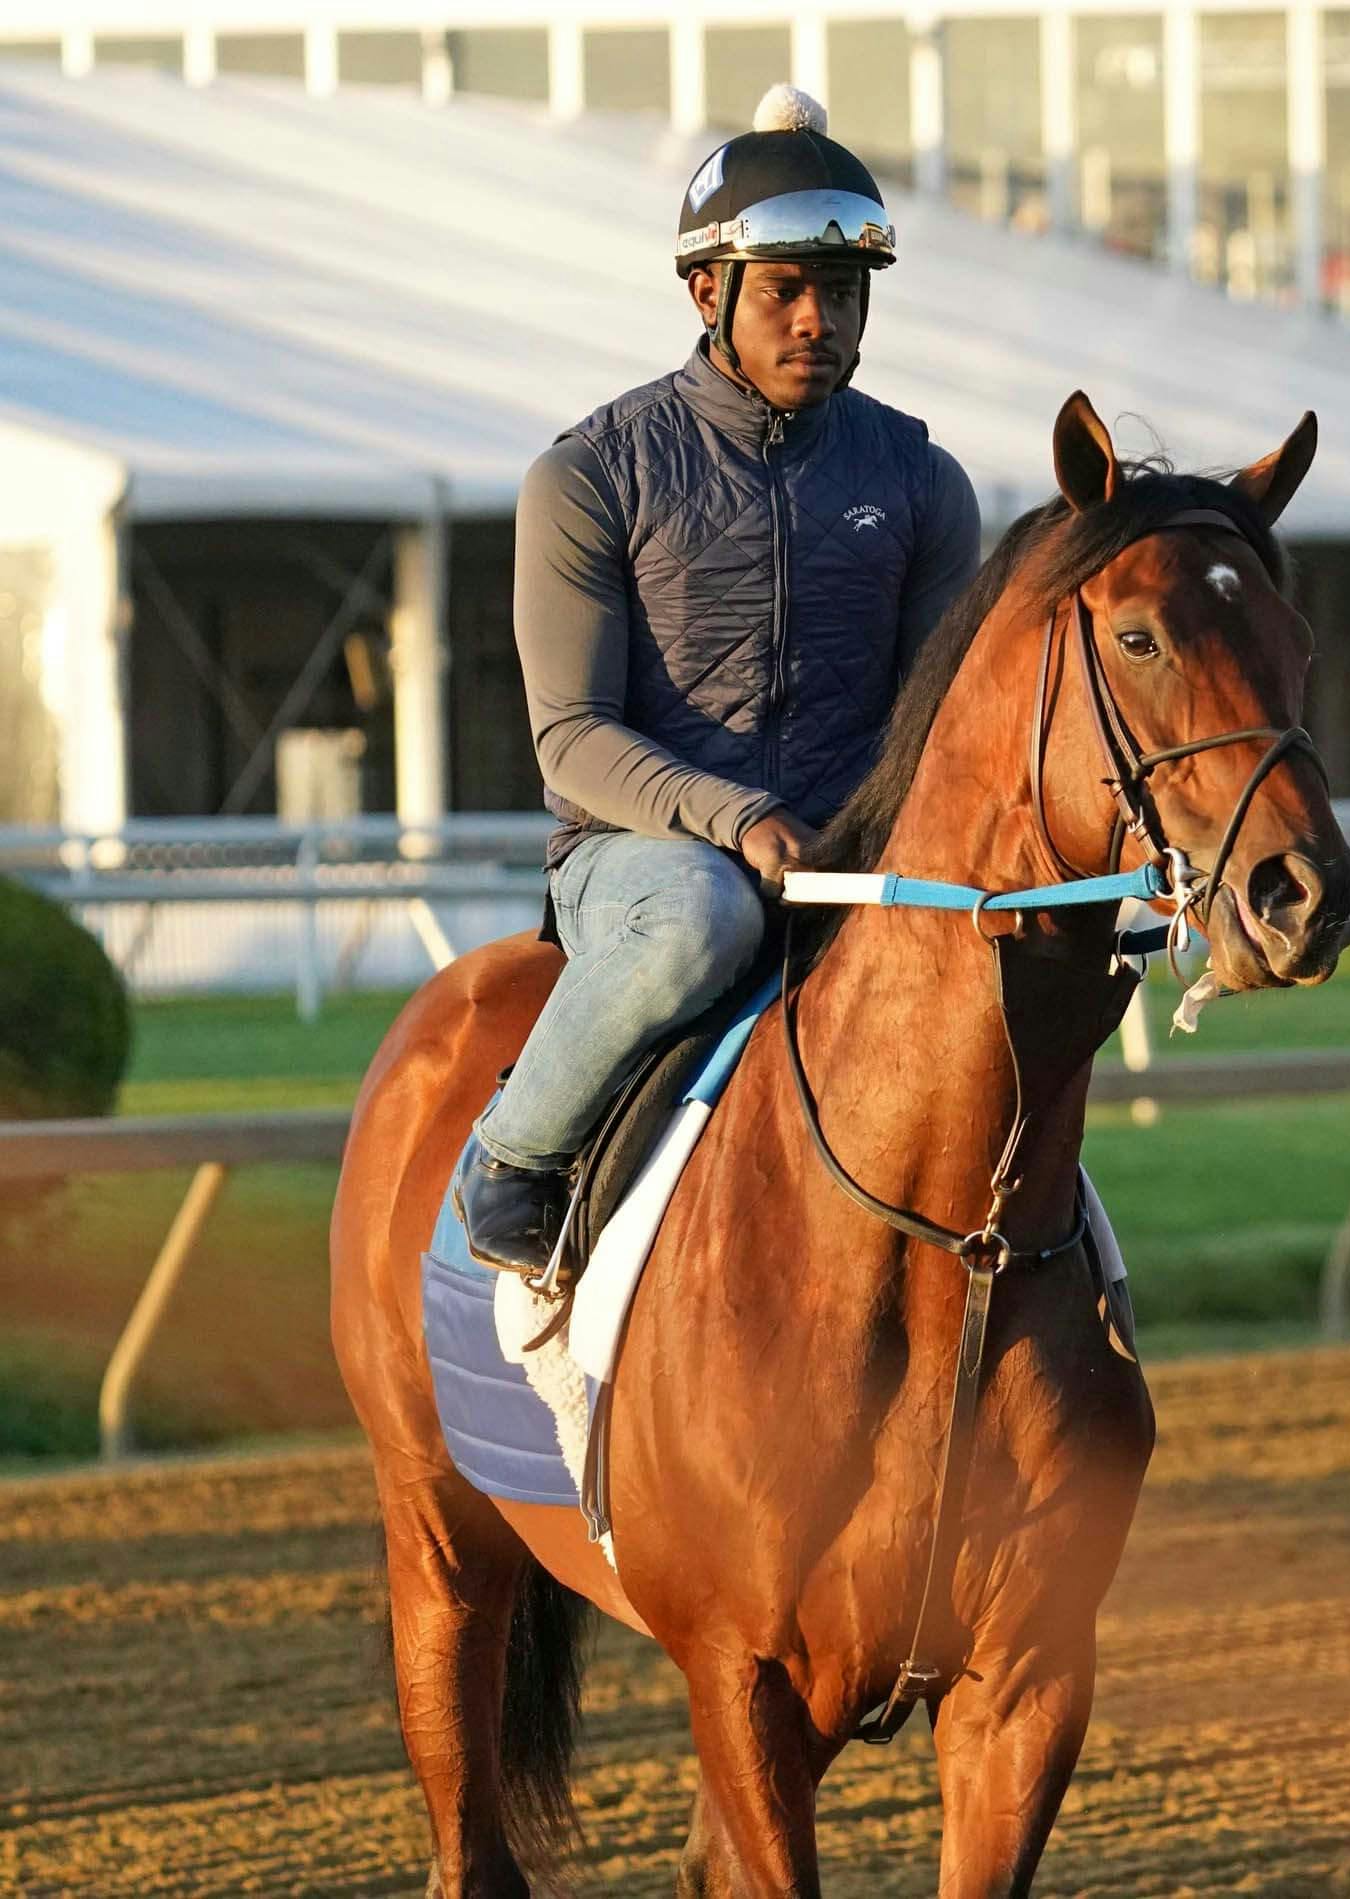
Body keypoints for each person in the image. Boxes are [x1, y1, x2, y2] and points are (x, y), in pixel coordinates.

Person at [454, 85, 982, 1271]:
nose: (817, 320)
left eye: (839, 293)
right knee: (707, 911)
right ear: (708, 293)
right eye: (786, 291)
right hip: (640, 865)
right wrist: (735, 816)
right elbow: (573, 741)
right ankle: (517, 1155)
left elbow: (942, 724)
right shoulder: (590, 476)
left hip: (850, 856)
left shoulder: (921, 480)